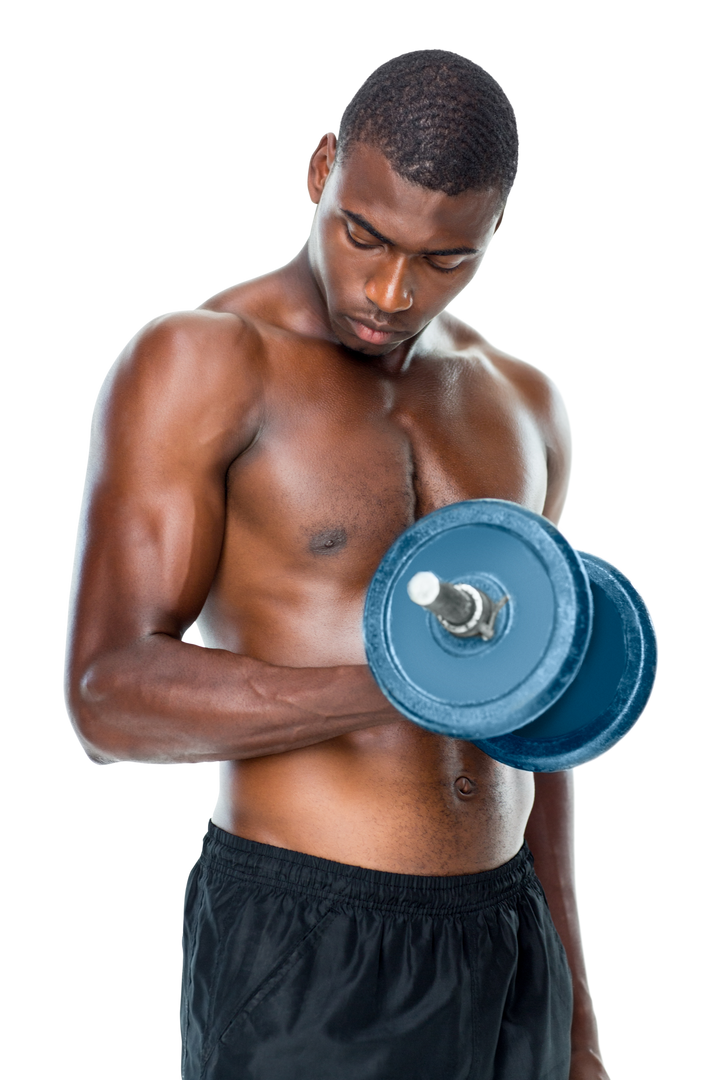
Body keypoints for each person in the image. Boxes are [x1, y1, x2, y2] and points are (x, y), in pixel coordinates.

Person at [62, 48, 612, 1079]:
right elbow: (106, 699)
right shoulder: (202, 360)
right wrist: (408, 690)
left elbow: (540, 725)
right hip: (309, 944)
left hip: (508, 945)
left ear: (495, 231)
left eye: (446, 259)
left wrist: (575, 1012)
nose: (393, 289)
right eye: (366, 235)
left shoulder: (526, 405)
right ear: (323, 170)